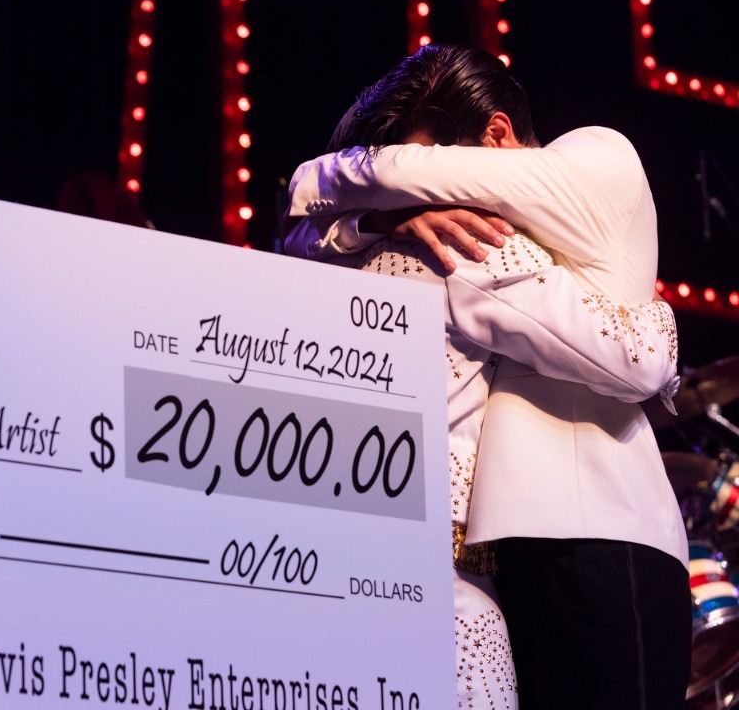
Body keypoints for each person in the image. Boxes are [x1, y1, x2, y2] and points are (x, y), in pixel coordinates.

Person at [286, 43, 689, 709]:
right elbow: (643, 354)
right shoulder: (449, 242)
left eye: (430, 179)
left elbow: (308, 223)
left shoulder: (589, 161)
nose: (424, 197)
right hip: (502, 554)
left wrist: (349, 201)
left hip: (598, 529)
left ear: (493, 136)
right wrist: (374, 219)